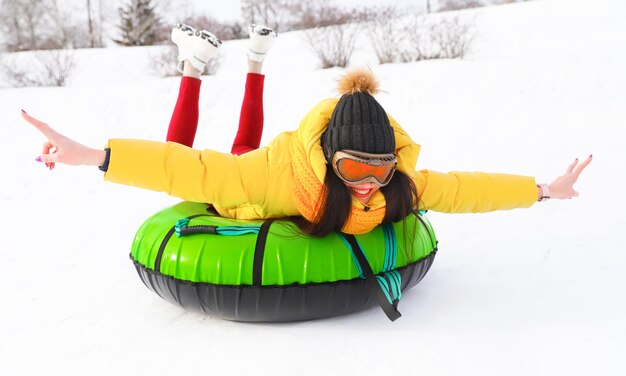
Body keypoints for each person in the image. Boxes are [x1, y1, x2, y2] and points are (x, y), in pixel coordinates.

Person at [21, 40, 592, 237]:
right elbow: (185, 169)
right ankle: (202, 68)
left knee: (238, 145)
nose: (368, 185)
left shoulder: (395, 187)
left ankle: (247, 63)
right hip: (247, 183)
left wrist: (542, 189)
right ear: (328, 158)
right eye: (353, 170)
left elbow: (464, 189)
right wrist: (97, 156)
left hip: (258, 168)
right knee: (205, 149)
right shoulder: (276, 179)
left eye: (380, 170)